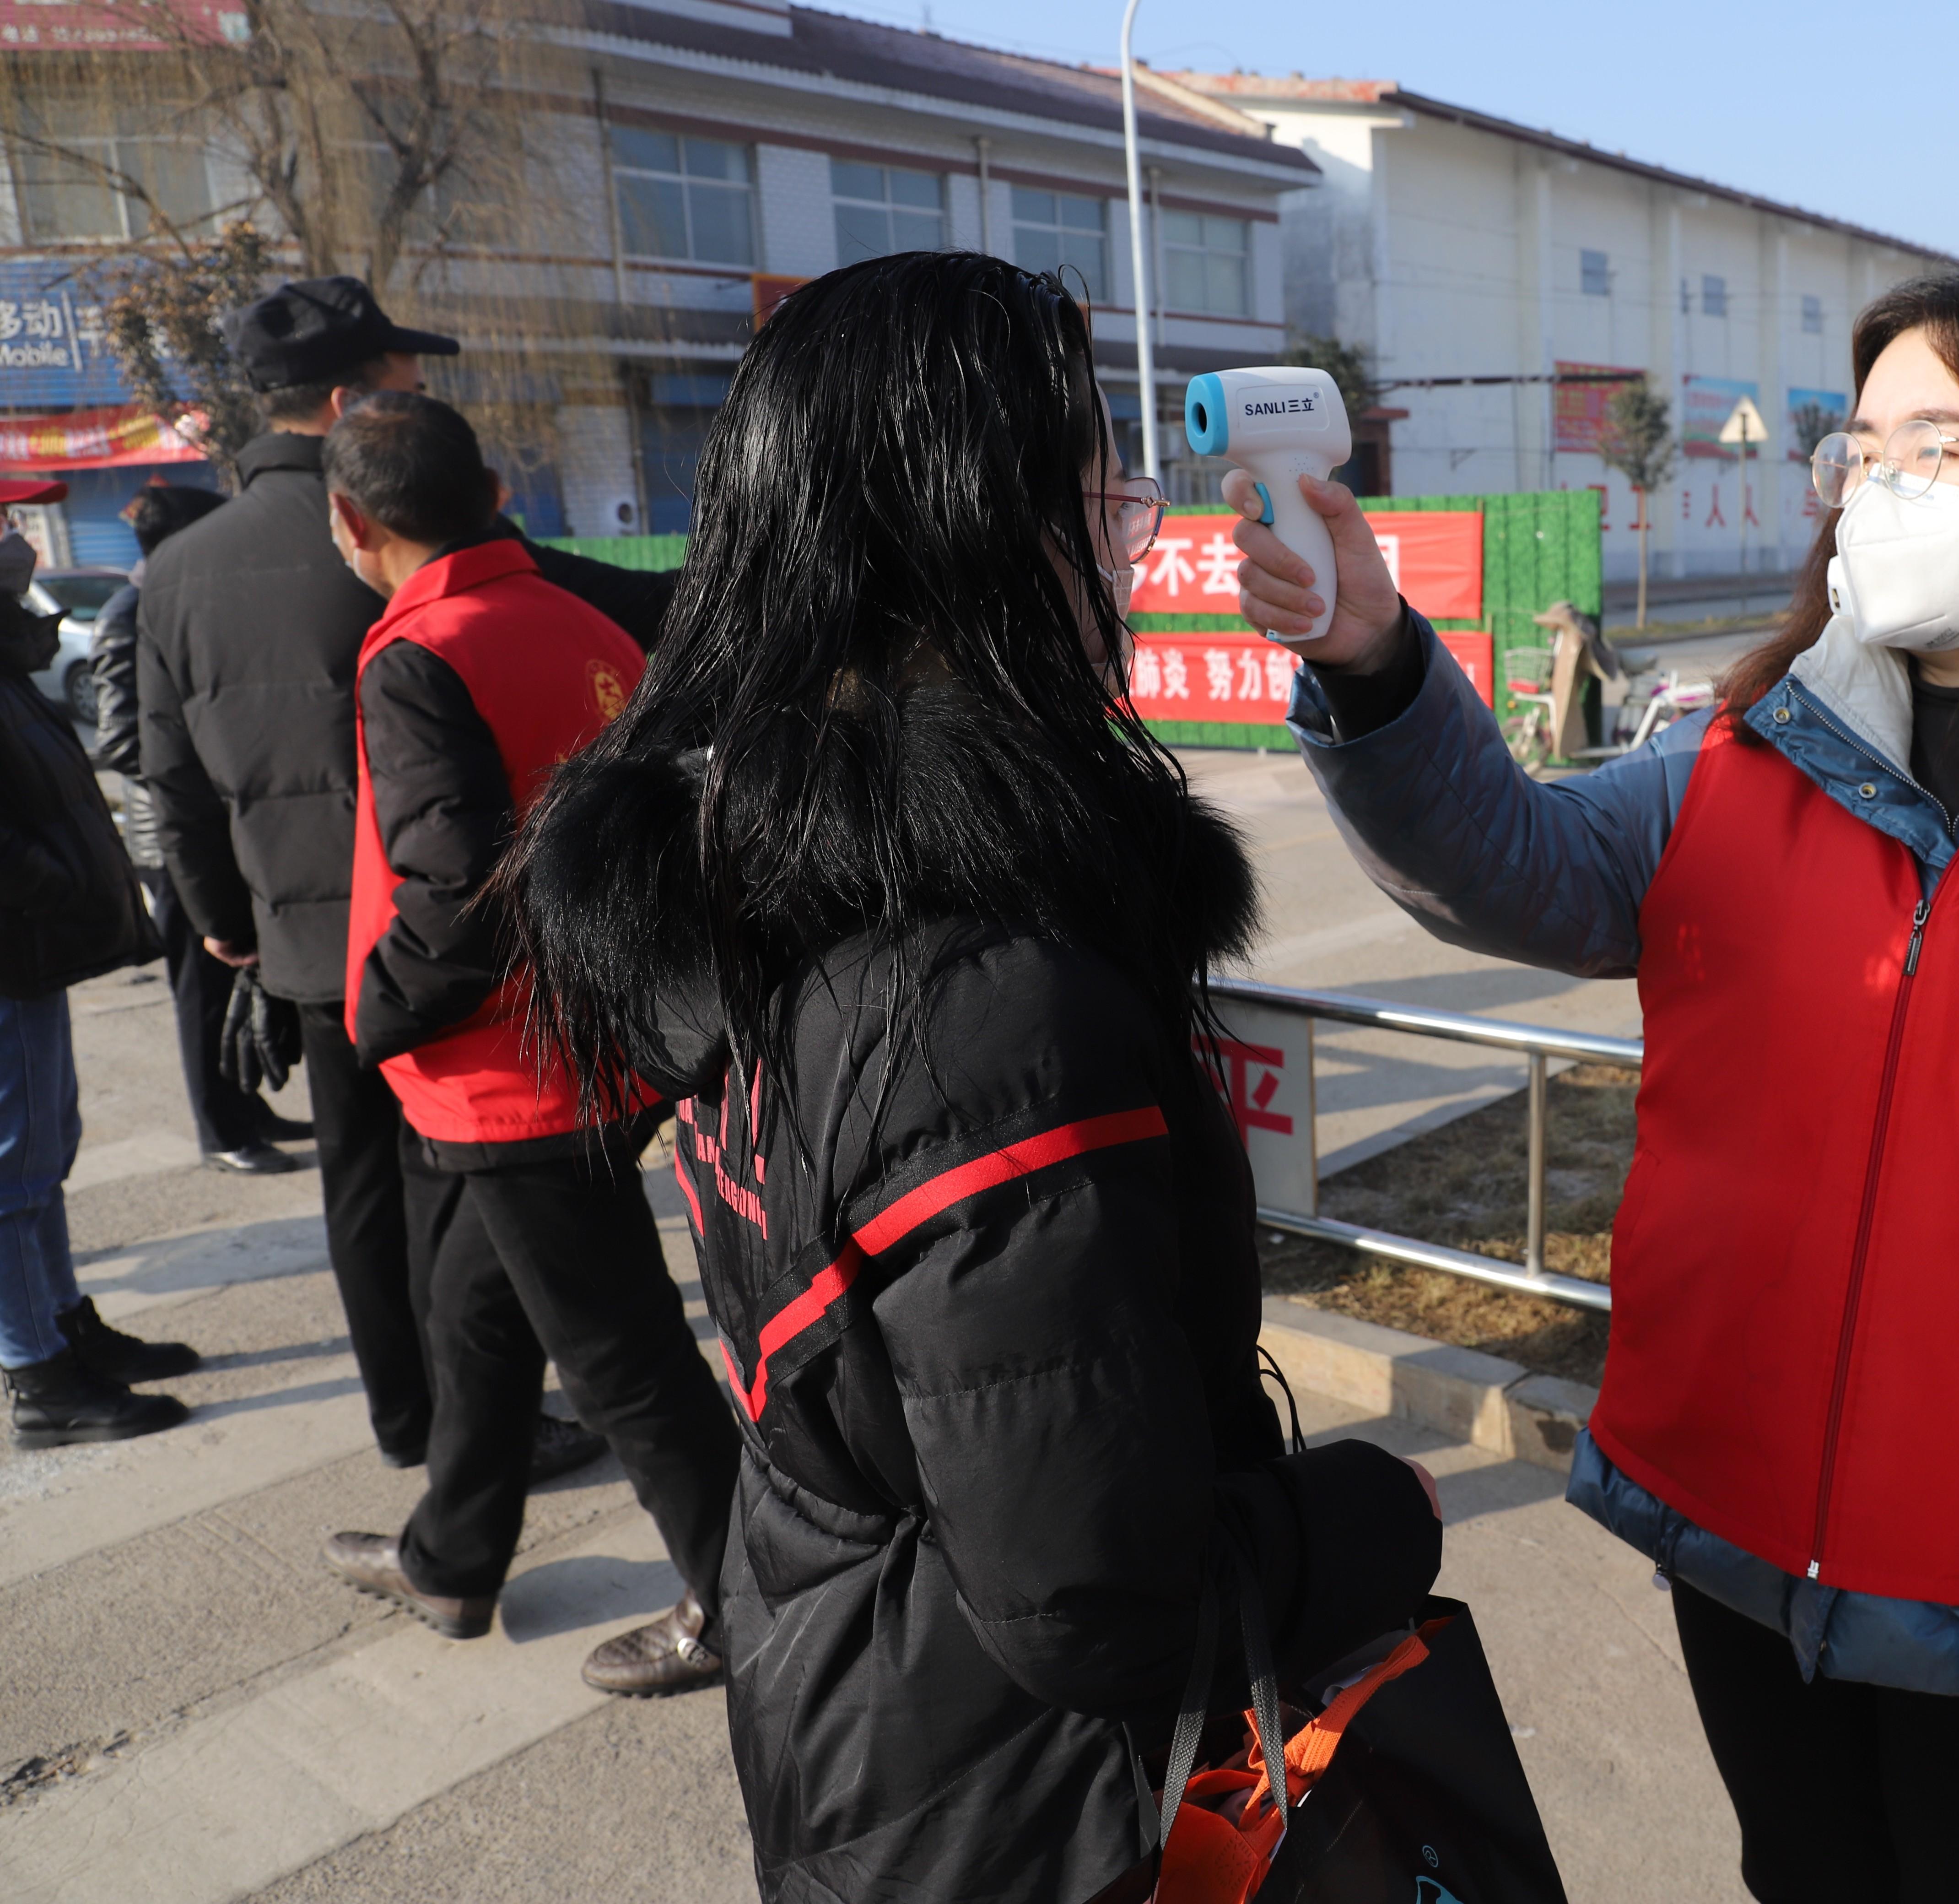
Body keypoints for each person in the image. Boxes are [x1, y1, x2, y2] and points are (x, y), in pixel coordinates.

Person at [1235, 268, 1959, 1903]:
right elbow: (1509, 864)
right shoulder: (1735, 761)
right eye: (1866, 445)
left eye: (1943, 444)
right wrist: (1374, 669)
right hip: (1744, 1527)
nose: (1886, 482)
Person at [505, 252, 1446, 1899]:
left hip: (849, 1691)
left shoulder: (754, 869)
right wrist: (1375, 1513)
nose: (1126, 558)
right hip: (1029, 1810)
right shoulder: (982, 1004)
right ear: (975, 536)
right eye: (1103, 504)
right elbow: (1094, 1598)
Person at [303, 391, 741, 1695]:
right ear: (493, 494)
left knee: (627, 1362)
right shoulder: (580, 620)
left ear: (351, 520)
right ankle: (452, 1555)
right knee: (474, 1314)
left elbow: (459, 891)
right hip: (597, 1039)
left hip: (511, 1075)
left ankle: (742, 1606)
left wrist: (378, 1009)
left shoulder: (421, 651)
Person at [135, 276, 603, 1482]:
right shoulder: (402, 533)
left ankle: (407, 1420)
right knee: (461, 1195)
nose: (423, 392)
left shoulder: (177, 567)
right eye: (405, 379)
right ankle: (485, 1433)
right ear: (351, 404)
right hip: (436, 937)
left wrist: (226, 925)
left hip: (301, 947)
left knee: (359, 1192)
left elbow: (171, 777)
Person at [0, 508, 203, 1445]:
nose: (17, 543)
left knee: (41, 1156)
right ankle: (38, 1374)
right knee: (12, 1171)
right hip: (13, 950)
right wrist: (59, 885)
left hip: (30, 952)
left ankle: (63, 1328)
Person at [90, 481, 312, 1174]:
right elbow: (121, 740)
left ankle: (248, 1108)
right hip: (175, 842)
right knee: (202, 992)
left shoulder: (179, 600)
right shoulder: (132, 611)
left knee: (237, 985)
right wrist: (206, 767)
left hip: (214, 828)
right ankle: (222, 1133)